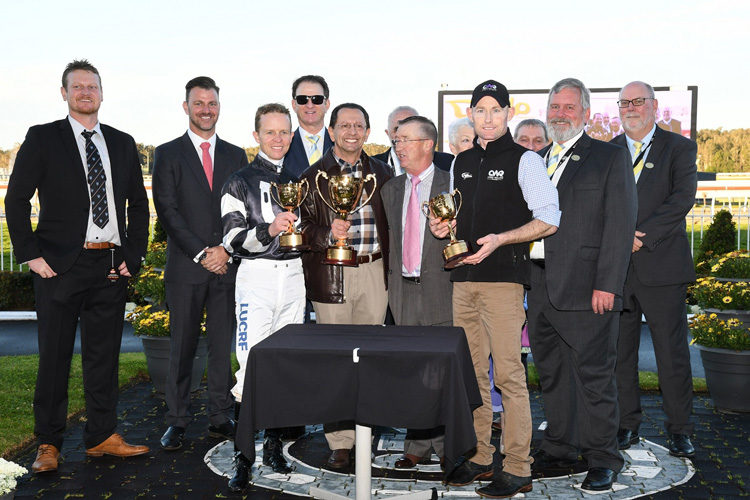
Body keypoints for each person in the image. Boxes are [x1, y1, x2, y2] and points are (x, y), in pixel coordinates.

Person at [5, 59, 150, 473]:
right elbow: (16, 201)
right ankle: (48, 444)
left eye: (93, 86)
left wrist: (132, 256)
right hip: (59, 267)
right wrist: (32, 254)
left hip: (109, 265)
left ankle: (102, 436)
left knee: (104, 357)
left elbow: (138, 206)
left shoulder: (122, 143)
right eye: (78, 87)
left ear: (102, 93)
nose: (86, 92)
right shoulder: (43, 138)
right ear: (64, 93)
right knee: (54, 358)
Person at [430, 79, 560, 498]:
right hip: (463, 281)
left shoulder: (526, 161)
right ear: (470, 114)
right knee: (473, 377)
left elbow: (550, 219)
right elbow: (456, 219)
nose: (488, 117)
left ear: (507, 114)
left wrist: (501, 239)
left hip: (503, 282)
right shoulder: (460, 161)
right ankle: (482, 456)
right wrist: (442, 227)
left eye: (496, 110)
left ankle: (519, 465)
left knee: (508, 375)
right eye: (480, 110)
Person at [527, 78, 637, 492]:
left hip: (589, 288)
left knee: (594, 377)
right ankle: (559, 447)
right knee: (553, 374)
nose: (560, 113)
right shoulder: (534, 160)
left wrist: (608, 284)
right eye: (555, 105)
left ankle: (603, 457)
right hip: (539, 287)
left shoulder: (608, 158)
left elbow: (620, 225)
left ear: (586, 114)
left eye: (569, 107)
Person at [152, 76, 247, 451]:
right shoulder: (167, 152)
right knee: (183, 347)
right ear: (186, 107)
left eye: (212, 103)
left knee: (222, 345)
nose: (206, 110)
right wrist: (202, 253)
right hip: (187, 267)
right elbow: (168, 210)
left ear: (219, 107)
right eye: (199, 103)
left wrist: (224, 251)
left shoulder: (236, 155)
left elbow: (243, 209)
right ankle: (176, 420)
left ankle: (220, 416)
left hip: (227, 265)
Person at [299, 103, 392, 469]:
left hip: (374, 271)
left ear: (367, 132)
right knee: (337, 360)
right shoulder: (312, 176)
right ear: (332, 131)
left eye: (359, 125)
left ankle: (367, 433)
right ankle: (340, 441)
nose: (352, 131)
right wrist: (326, 233)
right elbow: (298, 227)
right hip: (332, 273)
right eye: (344, 125)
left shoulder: (384, 174)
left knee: (370, 359)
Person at [221, 103, 304, 491]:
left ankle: (272, 446)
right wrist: (269, 228)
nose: (278, 139)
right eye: (270, 132)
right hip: (256, 279)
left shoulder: (297, 180)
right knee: (250, 367)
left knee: (283, 366)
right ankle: (243, 458)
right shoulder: (238, 181)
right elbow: (232, 240)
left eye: (284, 132)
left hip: (295, 278)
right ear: (256, 136)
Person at [613, 81, 697, 459]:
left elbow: (681, 199)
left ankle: (680, 430)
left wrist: (640, 237)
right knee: (619, 353)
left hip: (662, 266)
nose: (631, 108)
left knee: (671, 353)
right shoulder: (607, 151)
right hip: (616, 269)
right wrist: (619, 236)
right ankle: (627, 425)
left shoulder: (679, 148)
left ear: (654, 105)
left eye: (638, 101)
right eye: (624, 102)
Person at [381, 116, 453, 470]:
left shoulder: (451, 183)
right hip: (403, 293)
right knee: (413, 372)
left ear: (428, 144)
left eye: (406, 139)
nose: (399, 146)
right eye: (396, 140)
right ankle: (417, 444)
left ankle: (447, 445)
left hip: (442, 290)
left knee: (441, 372)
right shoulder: (391, 189)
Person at [373, 106, 453, 173]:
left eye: (411, 129)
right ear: (388, 133)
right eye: (397, 129)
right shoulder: (371, 166)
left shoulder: (448, 163)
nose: (404, 135)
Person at [284, 75, 334, 179]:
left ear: (327, 104)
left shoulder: (342, 146)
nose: (310, 105)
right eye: (303, 99)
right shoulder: (281, 147)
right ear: (294, 105)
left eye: (317, 99)